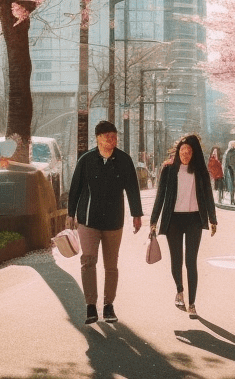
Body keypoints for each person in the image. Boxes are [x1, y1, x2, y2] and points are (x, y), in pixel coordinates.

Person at [66, 120, 143, 325]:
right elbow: (75, 187)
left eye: (114, 137)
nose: (112, 140)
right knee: (88, 262)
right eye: (108, 137)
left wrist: (137, 214)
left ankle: (109, 306)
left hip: (113, 220)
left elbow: (132, 188)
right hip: (88, 220)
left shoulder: (124, 160)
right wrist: (70, 213)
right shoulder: (86, 160)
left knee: (111, 265)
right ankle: (91, 306)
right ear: (98, 138)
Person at [149, 134, 218, 320]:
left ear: (193, 153)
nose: (185, 155)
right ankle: (180, 290)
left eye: (188, 152)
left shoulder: (199, 172)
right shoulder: (169, 170)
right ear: (177, 152)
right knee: (176, 261)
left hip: (194, 219)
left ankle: (193, 303)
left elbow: (208, 196)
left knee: (191, 262)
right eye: (182, 151)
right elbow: (160, 197)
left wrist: (213, 219)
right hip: (174, 221)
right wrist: (153, 221)